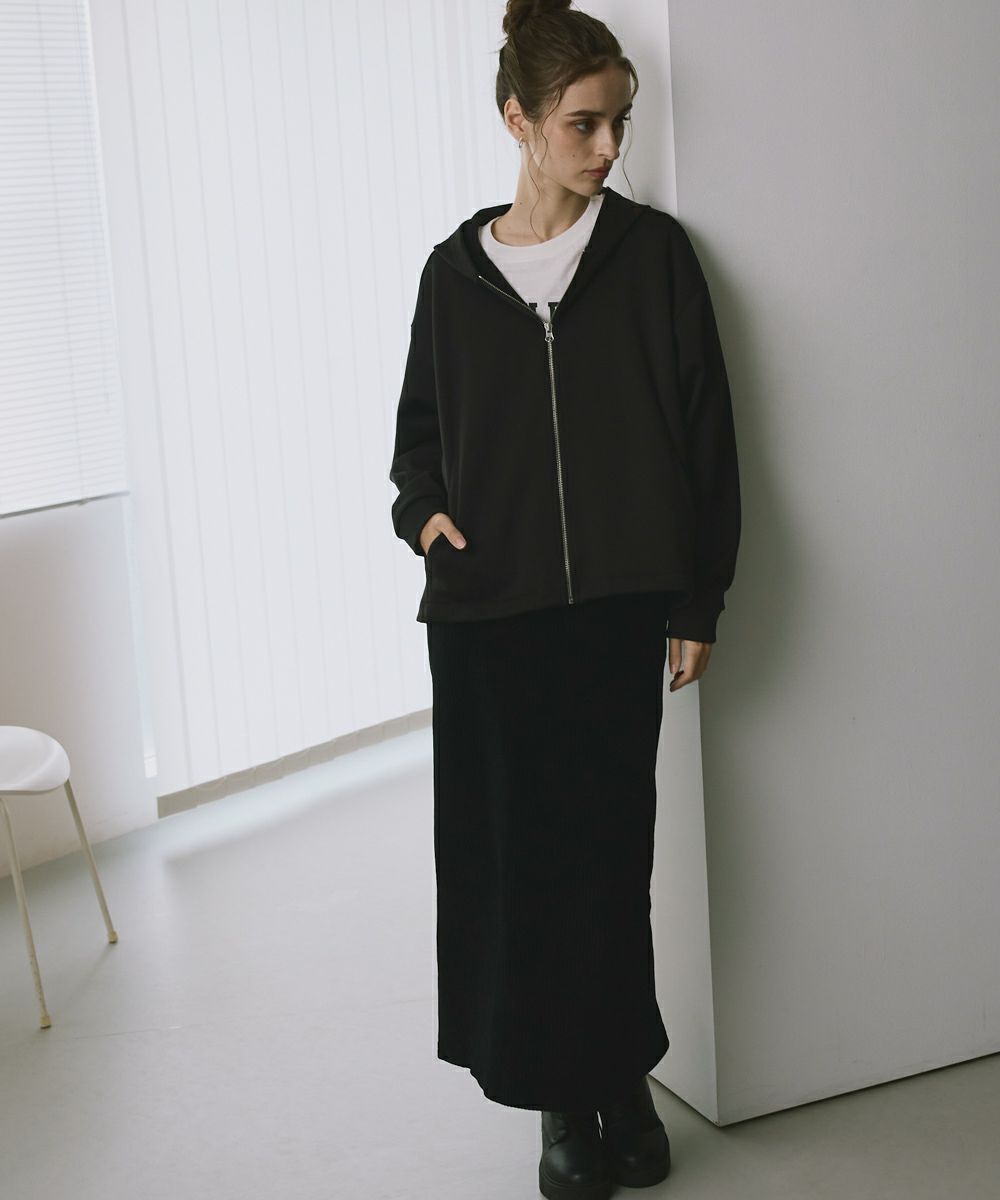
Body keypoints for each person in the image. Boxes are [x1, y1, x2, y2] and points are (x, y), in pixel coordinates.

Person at [388, 1, 741, 1196]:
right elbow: (417, 439)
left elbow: (706, 435)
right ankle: (556, 1099)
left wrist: (697, 597)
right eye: (583, 124)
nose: (606, 148)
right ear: (518, 120)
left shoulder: (652, 256)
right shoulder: (452, 275)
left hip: (615, 612)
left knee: (606, 860)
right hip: (488, 620)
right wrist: (423, 515)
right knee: (516, 868)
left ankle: (619, 1078)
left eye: (618, 124)